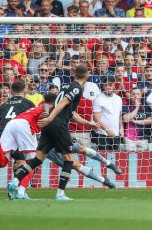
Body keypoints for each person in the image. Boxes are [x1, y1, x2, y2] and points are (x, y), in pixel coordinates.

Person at [7, 66, 115, 201]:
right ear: (87, 76)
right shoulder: (77, 88)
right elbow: (64, 103)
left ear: (73, 74)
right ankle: (60, 194)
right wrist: (51, 118)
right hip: (58, 125)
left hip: (50, 126)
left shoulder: (65, 86)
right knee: (69, 160)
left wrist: (87, 123)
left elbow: (71, 112)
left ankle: (15, 182)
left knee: (38, 159)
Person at [92, 77, 123, 151]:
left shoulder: (118, 99)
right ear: (103, 87)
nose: (108, 87)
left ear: (114, 86)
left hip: (116, 134)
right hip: (102, 134)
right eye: (105, 85)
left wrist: (121, 128)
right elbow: (96, 118)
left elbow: (119, 115)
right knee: (103, 157)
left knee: (115, 157)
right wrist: (107, 130)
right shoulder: (99, 99)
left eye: (110, 85)